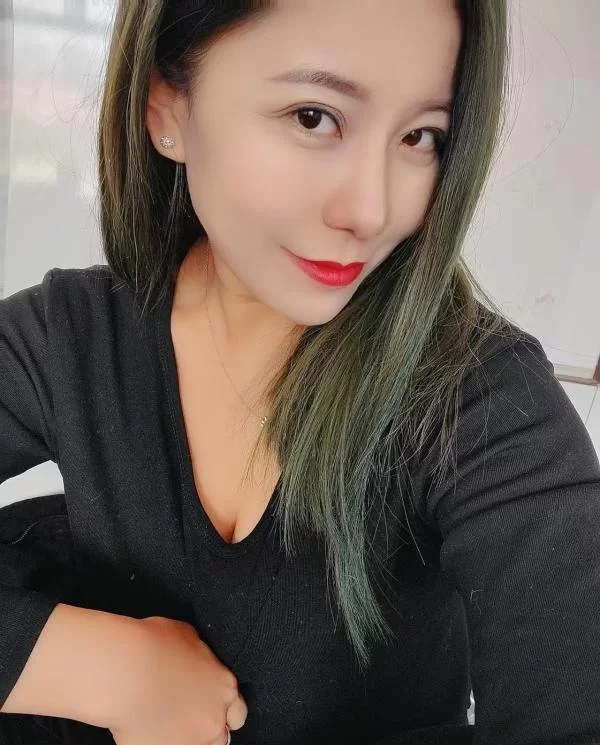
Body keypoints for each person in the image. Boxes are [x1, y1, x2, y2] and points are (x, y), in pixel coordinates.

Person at [0, 1, 599, 744]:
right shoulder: (70, 335)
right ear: (167, 107)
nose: (372, 209)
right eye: (314, 117)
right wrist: (98, 667)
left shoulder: (481, 398)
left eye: (421, 136)